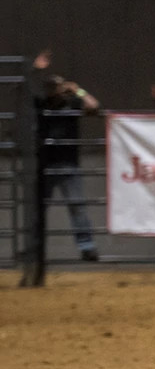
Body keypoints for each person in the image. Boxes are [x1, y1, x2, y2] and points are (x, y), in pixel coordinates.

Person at [32, 51, 99, 261]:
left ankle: (87, 246)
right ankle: (35, 247)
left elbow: (94, 106)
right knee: (39, 208)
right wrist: (34, 70)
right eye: (50, 87)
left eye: (57, 86)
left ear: (63, 88)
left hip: (68, 164)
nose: (54, 90)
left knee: (77, 206)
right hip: (46, 164)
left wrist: (77, 90)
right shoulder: (41, 105)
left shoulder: (72, 104)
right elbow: (20, 91)